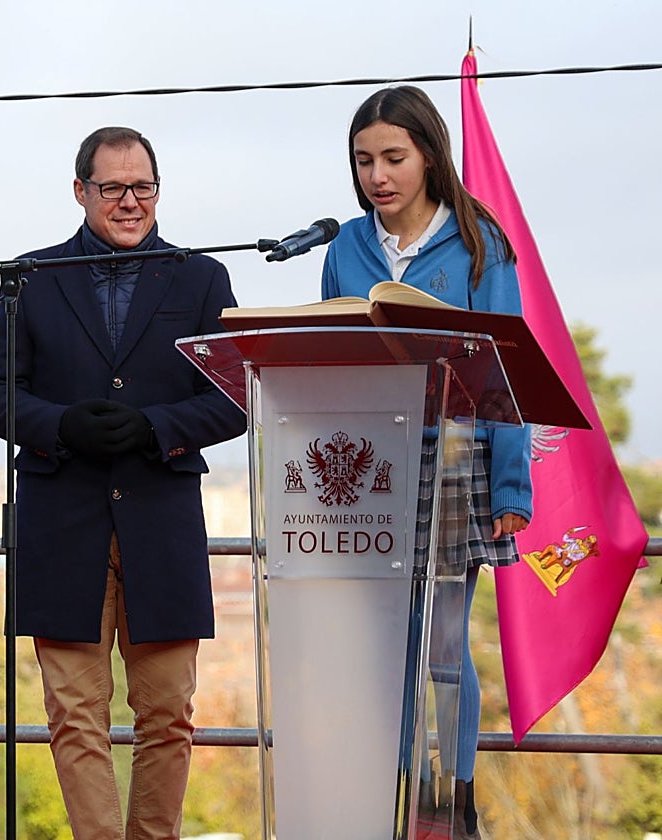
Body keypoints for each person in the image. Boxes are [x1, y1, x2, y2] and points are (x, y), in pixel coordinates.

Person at [0, 126, 246, 840]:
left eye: (143, 187)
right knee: (74, 714)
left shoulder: (201, 278)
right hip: (62, 522)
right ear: (80, 191)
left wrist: (157, 426)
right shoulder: (29, 276)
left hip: (162, 519)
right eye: (114, 188)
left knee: (168, 715)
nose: (131, 202)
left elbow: (237, 396)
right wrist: (63, 426)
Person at [321, 86, 532, 840]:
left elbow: (508, 368)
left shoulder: (480, 242)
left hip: (457, 459)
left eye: (393, 157)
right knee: (387, 645)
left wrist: (511, 485)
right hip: (374, 463)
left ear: (430, 156)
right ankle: (399, 798)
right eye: (364, 160)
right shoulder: (344, 246)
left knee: (443, 641)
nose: (378, 175)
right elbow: (327, 357)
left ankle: (453, 805)